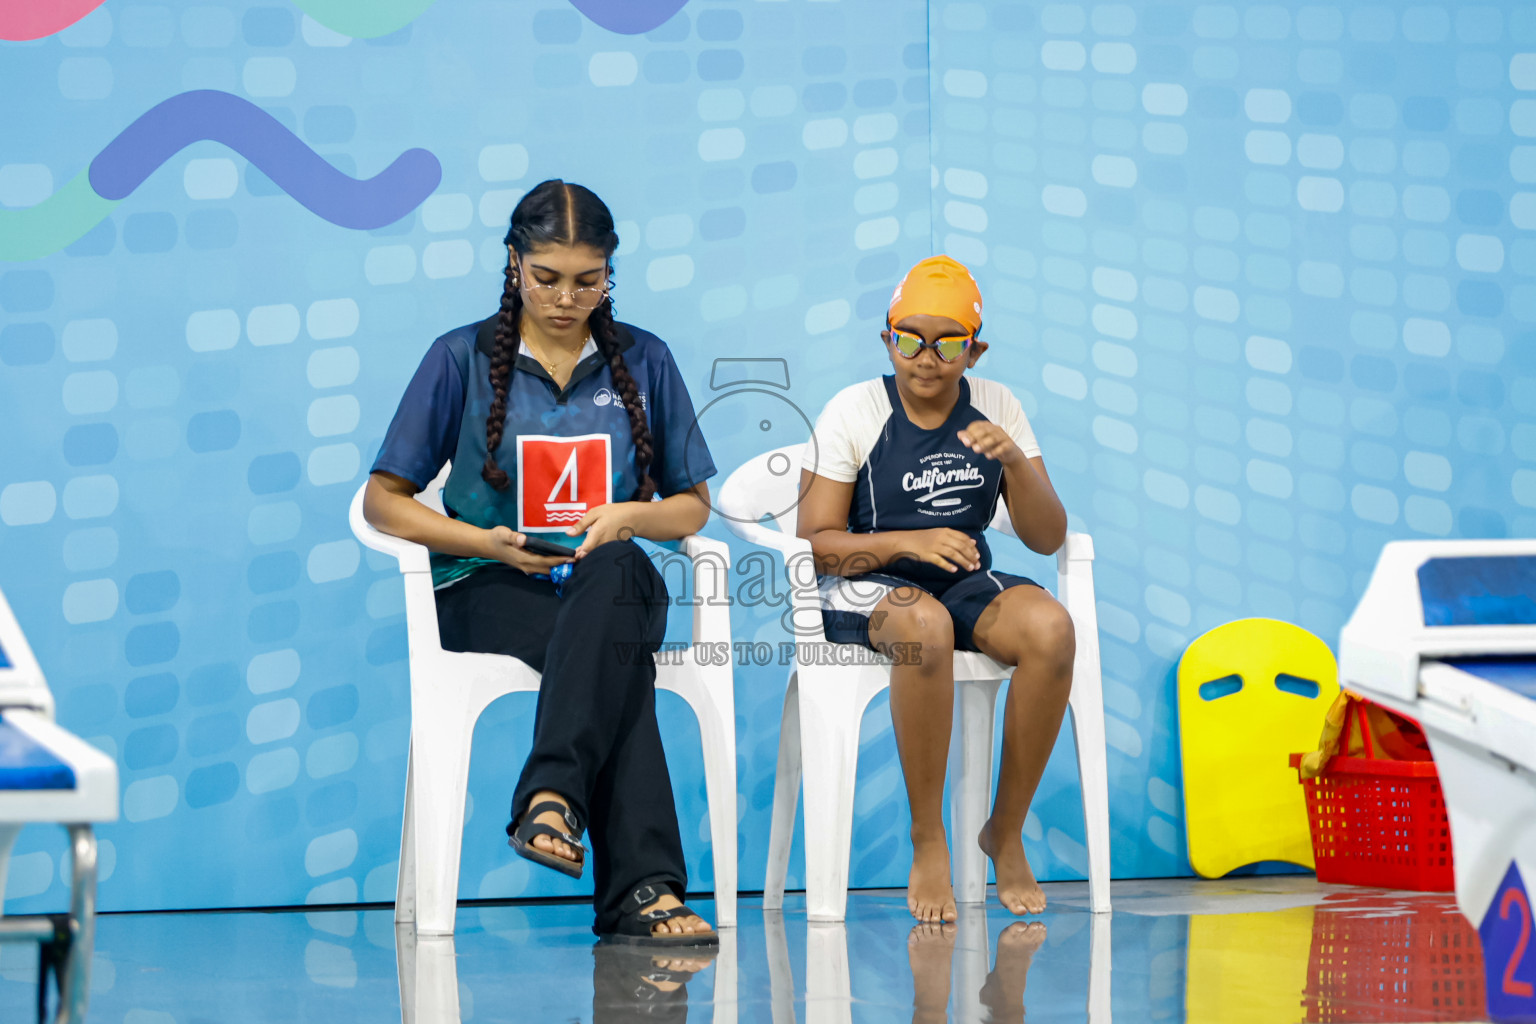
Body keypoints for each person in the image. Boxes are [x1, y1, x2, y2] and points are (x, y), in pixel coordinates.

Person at [364, 179, 719, 946]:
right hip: (487, 585)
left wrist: (629, 516)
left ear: (610, 272)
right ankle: (645, 891)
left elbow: (692, 507)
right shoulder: (459, 357)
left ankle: (551, 795)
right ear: (514, 264)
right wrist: (481, 543)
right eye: (547, 278)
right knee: (616, 661)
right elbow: (384, 501)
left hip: (607, 580)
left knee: (618, 579)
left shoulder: (644, 360)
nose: (566, 298)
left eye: (588, 280)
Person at [796, 256, 1074, 923]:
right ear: (887, 338)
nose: (926, 357)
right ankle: (928, 840)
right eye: (908, 338)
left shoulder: (998, 406)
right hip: (867, 580)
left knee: (1051, 630)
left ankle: (1004, 831)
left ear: (974, 349)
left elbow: (1047, 536)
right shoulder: (855, 410)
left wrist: (1013, 460)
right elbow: (816, 543)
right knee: (924, 628)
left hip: (960, 580)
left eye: (949, 342)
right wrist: (903, 544)